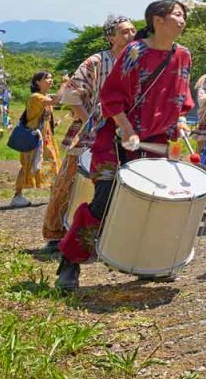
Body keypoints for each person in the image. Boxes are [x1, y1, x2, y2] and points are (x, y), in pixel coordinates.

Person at [56, 0, 194, 291]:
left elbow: (182, 99)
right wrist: (127, 129)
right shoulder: (135, 52)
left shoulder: (183, 56)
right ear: (157, 19)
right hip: (116, 139)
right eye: (177, 15)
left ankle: (147, 262)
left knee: (155, 203)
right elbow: (111, 97)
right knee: (103, 200)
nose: (183, 20)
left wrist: (180, 122)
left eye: (184, 15)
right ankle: (70, 261)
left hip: (156, 142)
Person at [41, 14, 135, 251]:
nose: (131, 35)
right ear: (110, 37)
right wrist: (91, 123)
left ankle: (109, 236)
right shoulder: (95, 61)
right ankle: (56, 234)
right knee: (72, 178)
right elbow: (72, 96)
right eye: (124, 31)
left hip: (129, 134)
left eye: (133, 30)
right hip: (96, 131)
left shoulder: (139, 63)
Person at [12, 70, 62, 208]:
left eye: (51, 78)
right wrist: (64, 84)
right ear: (37, 82)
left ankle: (54, 195)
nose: (51, 80)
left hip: (45, 138)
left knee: (51, 162)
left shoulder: (43, 96)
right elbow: (55, 101)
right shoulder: (36, 97)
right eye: (47, 78)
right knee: (27, 165)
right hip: (34, 138)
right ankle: (17, 196)